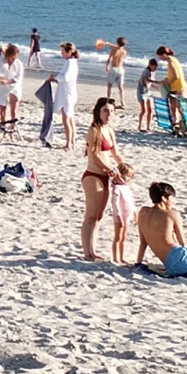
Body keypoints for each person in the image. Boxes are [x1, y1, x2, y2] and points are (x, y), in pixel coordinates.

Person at [81, 97, 124, 260]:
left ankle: (92, 250)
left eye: (112, 111)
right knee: (90, 216)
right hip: (94, 175)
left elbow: (115, 153)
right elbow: (95, 154)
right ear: (98, 112)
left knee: (99, 216)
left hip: (106, 176)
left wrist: (124, 167)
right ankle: (87, 252)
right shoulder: (94, 130)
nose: (109, 114)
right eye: (106, 110)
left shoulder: (109, 130)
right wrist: (109, 169)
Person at [47, 42, 80, 150]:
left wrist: (55, 77)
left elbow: (65, 77)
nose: (61, 53)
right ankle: (72, 142)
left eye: (63, 51)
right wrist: (56, 78)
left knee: (66, 119)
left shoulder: (70, 63)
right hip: (68, 92)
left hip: (67, 94)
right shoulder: (71, 63)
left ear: (69, 52)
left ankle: (69, 143)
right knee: (70, 118)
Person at [110, 160, 137, 265]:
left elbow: (131, 202)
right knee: (118, 237)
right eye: (127, 176)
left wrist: (135, 213)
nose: (128, 179)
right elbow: (115, 204)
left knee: (123, 238)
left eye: (130, 177)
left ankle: (121, 257)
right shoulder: (117, 188)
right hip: (120, 217)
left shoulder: (126, 188)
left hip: (127, 216)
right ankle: (115, 257)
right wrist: (119, 216)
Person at [155, 45, 187, 131]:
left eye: (160, 56)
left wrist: (168, 82)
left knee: (179, 107)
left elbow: (176, 76)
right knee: (173, 106)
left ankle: (184, 123)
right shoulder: (171, 60)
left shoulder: (171, 62)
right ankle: (175, 123)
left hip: (179, 87)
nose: (160, 58)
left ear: (164, 54)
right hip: (173, 87)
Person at [0, 42, 23, 131]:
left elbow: (18, 78)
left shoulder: (19, 63)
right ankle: (3, 127)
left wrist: (8, 81)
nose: (14, 58)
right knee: (3, 108)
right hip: (3, 87)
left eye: (15, 56)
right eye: (13, 56)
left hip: (14, 86)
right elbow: (0, 73)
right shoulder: (2, 61)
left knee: (14, 110)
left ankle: (12, 129)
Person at [136, 57, 159, 131]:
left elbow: (150, 83)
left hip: (148, 91)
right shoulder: (146, 71)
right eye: (154, 67)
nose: (155, 69)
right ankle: (139, 125)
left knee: (150, 110)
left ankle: (148, 126)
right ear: (150, 65)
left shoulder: (153, 72)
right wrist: (156, 82)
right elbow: (146, 79)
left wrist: (159, 87)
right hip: (141, 91)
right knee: (143, 110)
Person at [106, 37, 128, 108]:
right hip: (121, 69)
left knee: (109, 86)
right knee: (121, 87)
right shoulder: (124, 51)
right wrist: (109, 44)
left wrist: (107, 66)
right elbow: (120, 48)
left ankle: (108, 100)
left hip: (113, 68)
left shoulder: (113, 51)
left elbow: (109, 59)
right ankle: (122, 102)